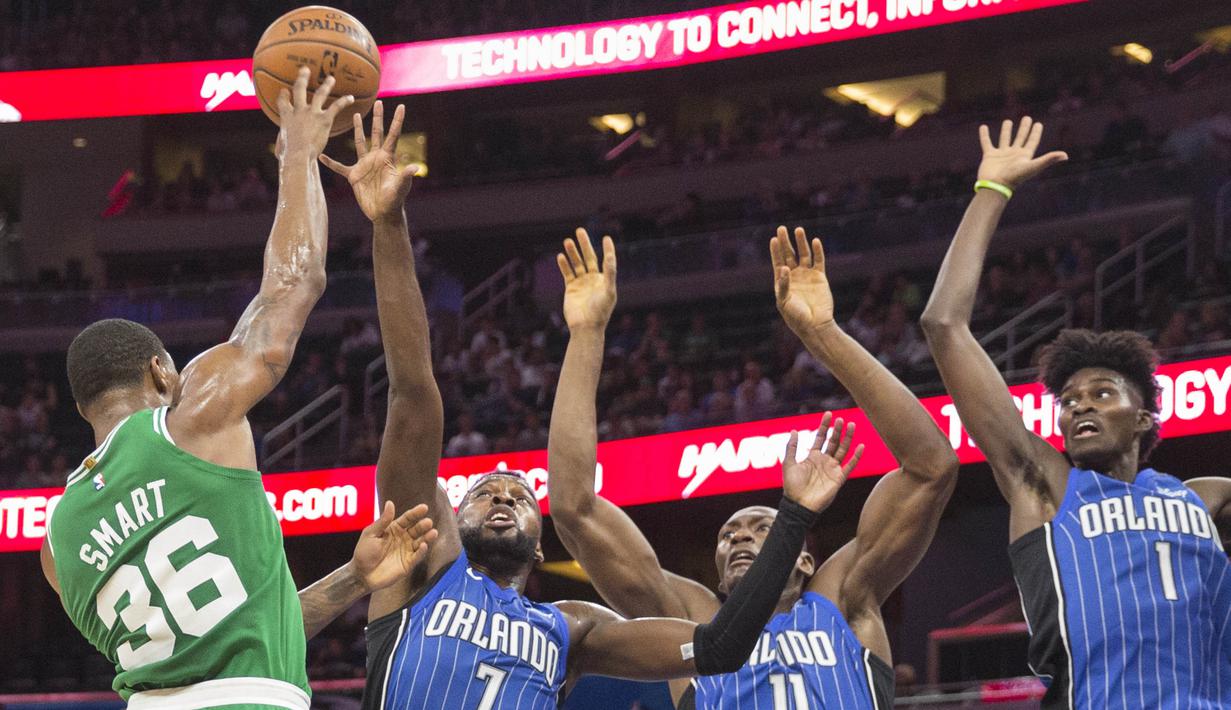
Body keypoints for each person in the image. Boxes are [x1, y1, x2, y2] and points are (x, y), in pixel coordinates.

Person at [321, 119, 860, 703]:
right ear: (451, 518)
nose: (503, 496)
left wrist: (795, 515)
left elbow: (721, 647)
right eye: (484, 493)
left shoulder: (573, 628)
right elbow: (413, 395)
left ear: (541, 546)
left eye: (521, 496)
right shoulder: (420, 570)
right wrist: (389, 225)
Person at [40, 70, 437, 709]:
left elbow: (219, 641)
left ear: (85, 408)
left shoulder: (56, 544)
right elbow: (293, 285)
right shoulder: (188, 415)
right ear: (160, 372)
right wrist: (301, 150)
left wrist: (355, 579)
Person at [547, 228, 958, 708]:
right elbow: (575, 510)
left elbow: (932, 468)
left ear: (805, 560)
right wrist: (586, 336)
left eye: (760, 527)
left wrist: (822, 335)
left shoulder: (842, 597)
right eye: (728, 534)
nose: (738, 536)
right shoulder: (694, 621)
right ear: (719, 577)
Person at [920, 116, 1231, 708]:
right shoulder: (1047, 486)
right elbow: (944, 326)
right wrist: (992, 192)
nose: (1080, 405)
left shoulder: (1207, 498)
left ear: (1143, 417)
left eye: (1102, 393)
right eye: (1068, 401)